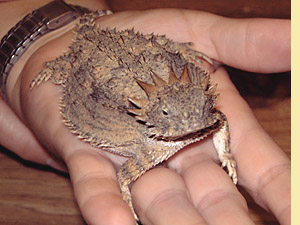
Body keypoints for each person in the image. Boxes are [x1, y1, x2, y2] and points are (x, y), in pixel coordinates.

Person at [0, 0, 290, 224]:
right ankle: (57, 62)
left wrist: (225, 154)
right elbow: (125, 178)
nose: (191, 124)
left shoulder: (208, 118)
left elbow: (220, 121)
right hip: (90, 55)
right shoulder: (146, 146)